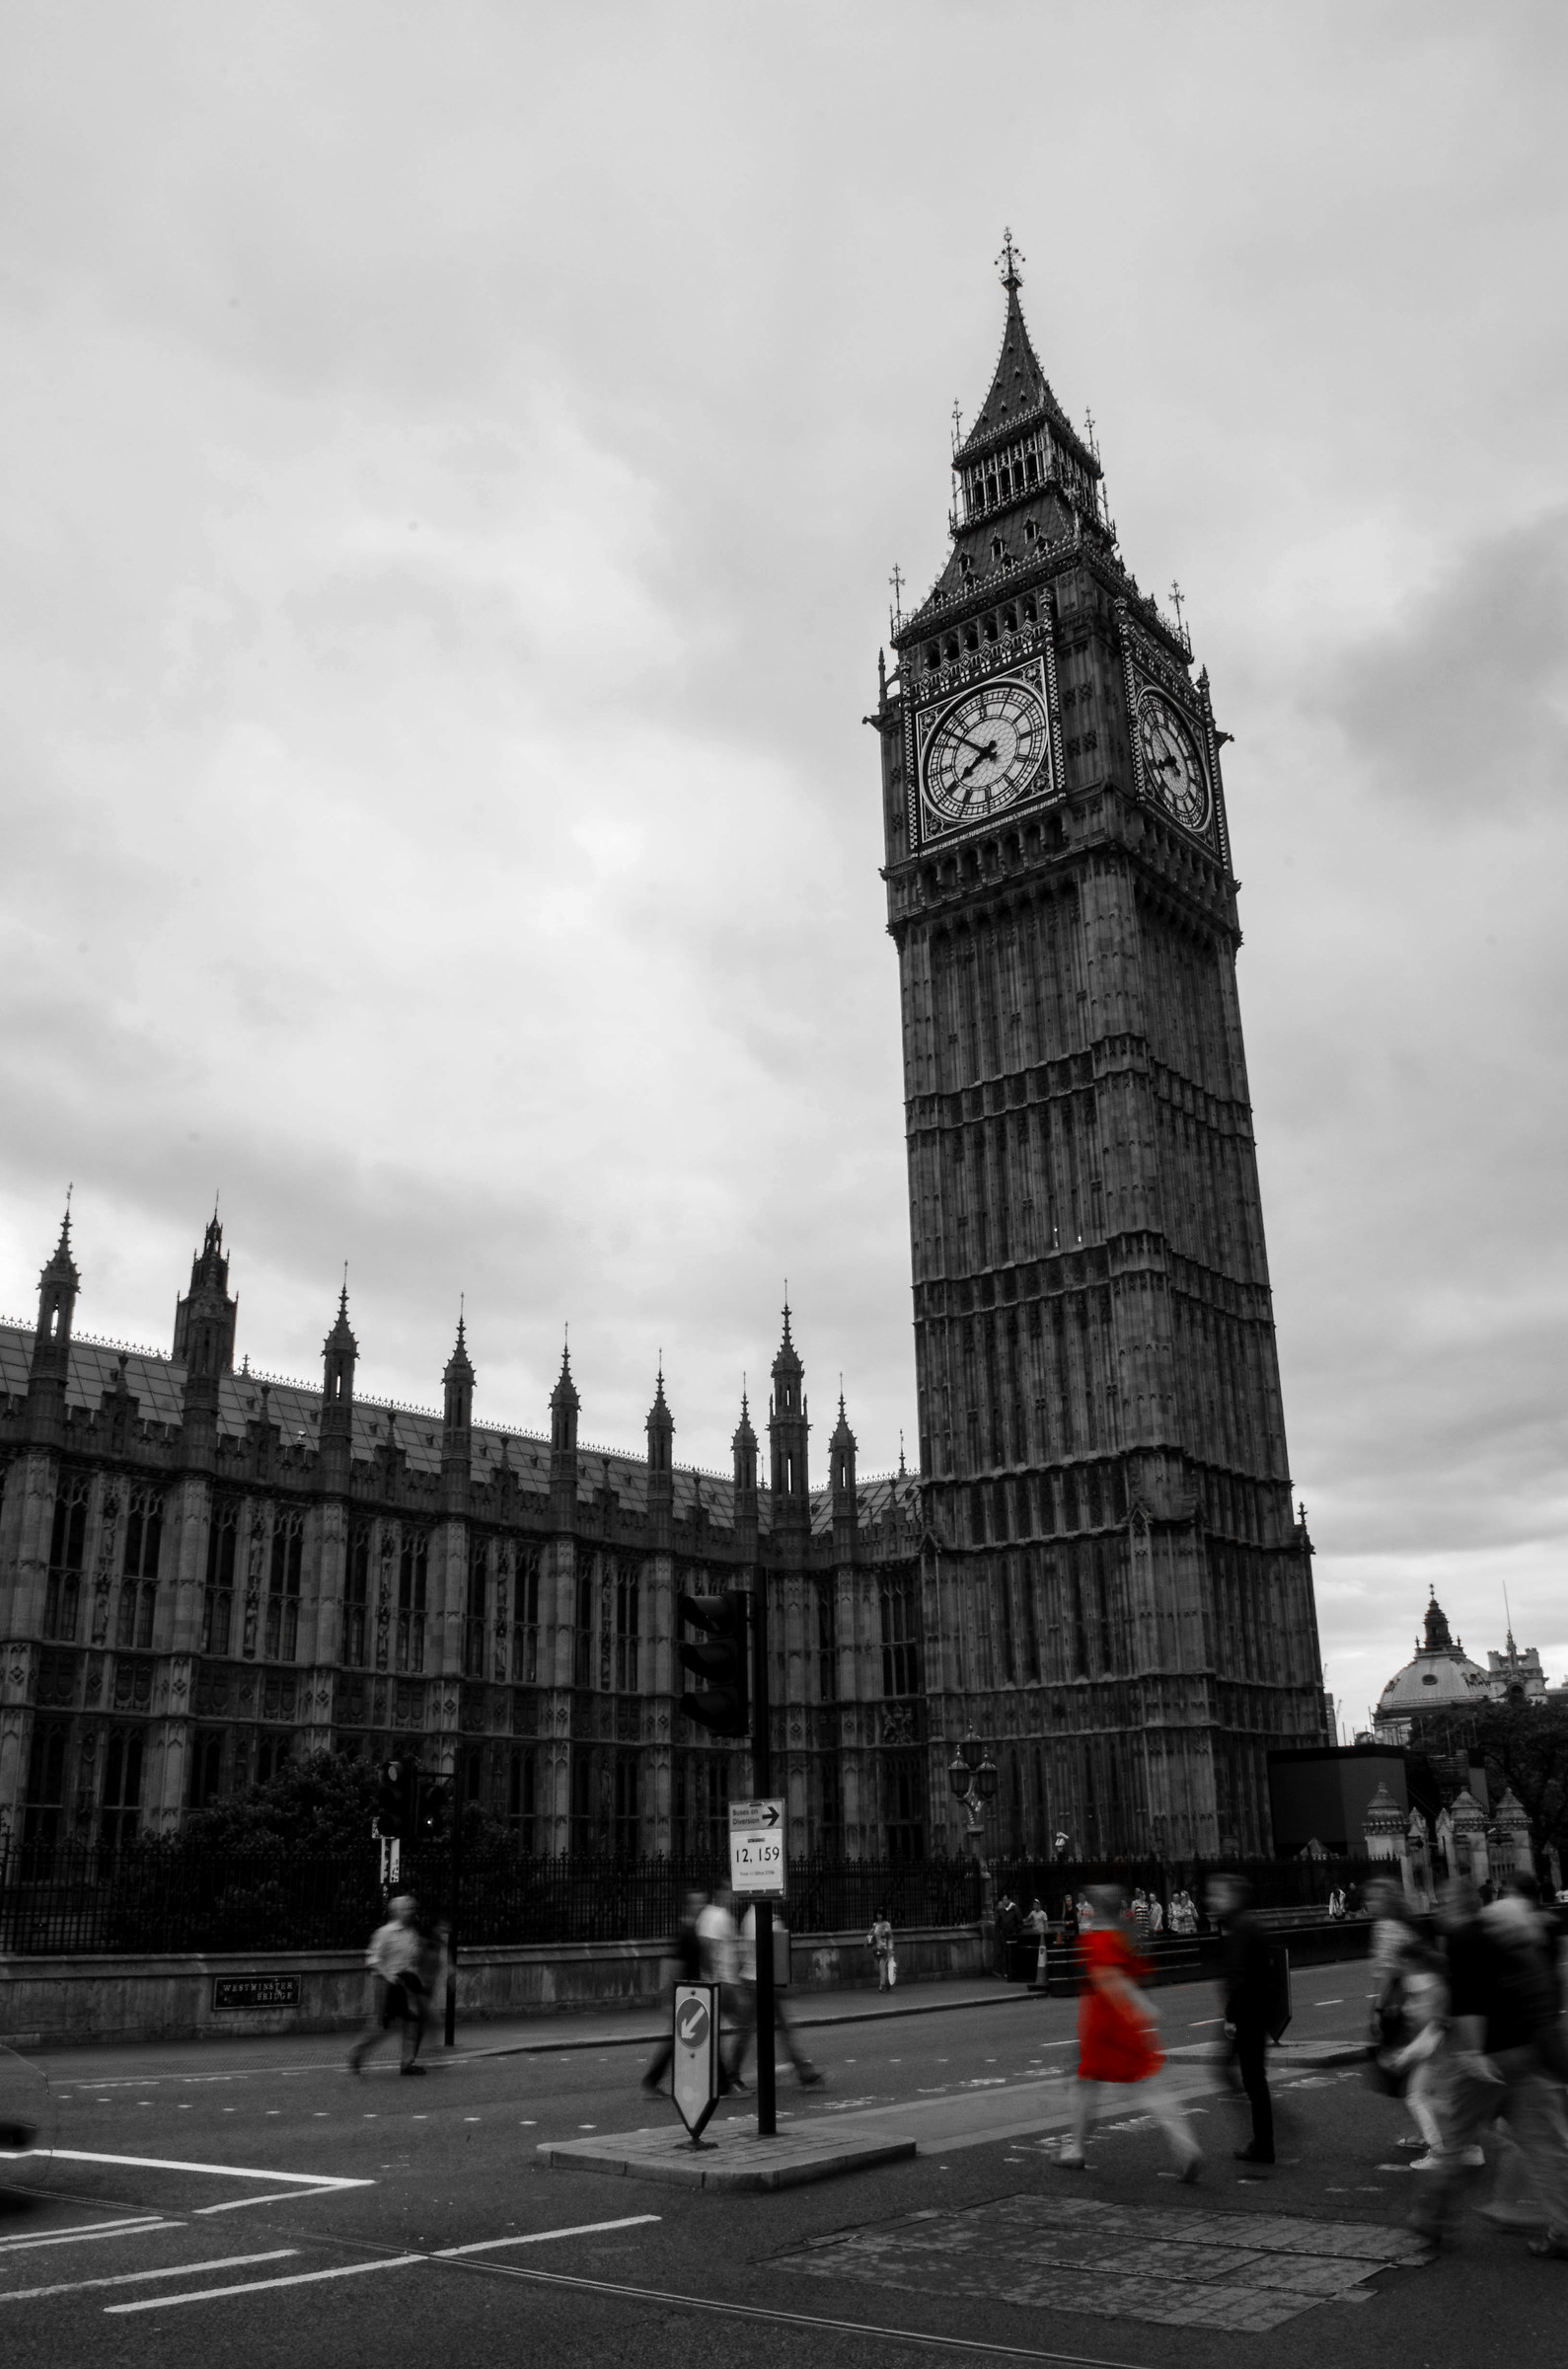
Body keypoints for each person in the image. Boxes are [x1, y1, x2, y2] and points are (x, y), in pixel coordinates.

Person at [1410, 1871, 1568, 2257]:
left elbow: (1469, 2004)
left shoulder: (1465, 1941)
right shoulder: (1527, 1945)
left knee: (1456, 2142)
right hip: (1525, 2055)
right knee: (1547, 2148)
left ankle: (1430, 2218)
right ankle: (1565, 2232)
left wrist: (1473, 2053)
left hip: (1485, 2061)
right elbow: (1546, 1999)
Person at [1058, 1883, 1201, 2179]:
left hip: (1104, 2023)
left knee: (1085, 2085)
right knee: (1147, 2086)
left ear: (1095, 1907)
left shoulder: (1100, 1939)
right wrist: (1141, 2007)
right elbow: (1138, 1972)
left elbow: (1108, 1977)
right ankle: (1186, 2147)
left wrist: (1136, 2006)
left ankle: (1076, 2149)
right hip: (1126, 2023)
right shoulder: (1127, 1937)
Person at [1207, 1872, 1274, 2165]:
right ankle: (1264, 2136)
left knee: (1250, 2079)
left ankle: (1265, 2141)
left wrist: (1231, 2017)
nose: (1212, 1900)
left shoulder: (1240, 1927)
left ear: (1233, 1896)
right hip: (1254, 2010)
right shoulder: (1243, 1923)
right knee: (1240, 2074)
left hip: (1246, 2013)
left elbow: (1238, 1976)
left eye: (1218, 1894)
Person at [726, 1905, 824, 2090]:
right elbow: (762, 1948)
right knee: (748, 2031)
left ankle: (804, 2072)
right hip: (757, 1980)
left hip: (766, 1980)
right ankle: (732, 2076)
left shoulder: (766, 1913)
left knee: (781, 2029)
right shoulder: (756, 1916)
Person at [348, 1893, 427, 2075]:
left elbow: (412, 1960)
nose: (411, 1911)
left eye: (411, 1908)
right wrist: (388, 1976)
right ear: (396, 1911)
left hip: (406, 1984)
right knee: (381, 2025)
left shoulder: (412, 1933)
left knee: (412, 2022)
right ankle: (357, 2053)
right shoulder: (384, 1933)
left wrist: (416, 1979)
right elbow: (372, 1959)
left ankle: (407, 2064)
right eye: (406, 1908)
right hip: (386, 1984)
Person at [641, 1887, 707, 2096]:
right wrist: (668, 1999)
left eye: (703, 1903)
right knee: (685, 2039)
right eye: (697, 1903)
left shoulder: (693, 1930)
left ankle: (655, 2081)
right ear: (689, 1906)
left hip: (693, 1993)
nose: (701, 1907)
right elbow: (672, 1966)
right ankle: (652, 2081)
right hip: (685, 1994)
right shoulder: (684, 1933)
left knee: (689, 2040)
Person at [698, 1883, 743, 2090]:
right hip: (725, 1980)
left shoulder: (706, 1914)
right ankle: (728, 2076)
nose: (732, 1896)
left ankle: (722, 2076)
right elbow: (708, 1946)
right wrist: (713, 1976)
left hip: (718, 1980)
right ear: (720, 1893)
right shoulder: (720, 1916)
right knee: (743, 2027)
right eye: (728, 1891)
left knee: (716, 2030)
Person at [867, 1907, 896, 1991]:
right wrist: (869, 1941)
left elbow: (890, 1938)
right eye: (877, 1914)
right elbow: (871, 1935)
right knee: (881, 1967)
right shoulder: (875, 1925)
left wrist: (890, 1948)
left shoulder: (886, 1924)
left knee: (881, 1965)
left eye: (880, 1914)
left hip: (885, 1949)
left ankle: (882, 1985)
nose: (878, 1916)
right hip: (877, 1949)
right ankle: (887, 1982)